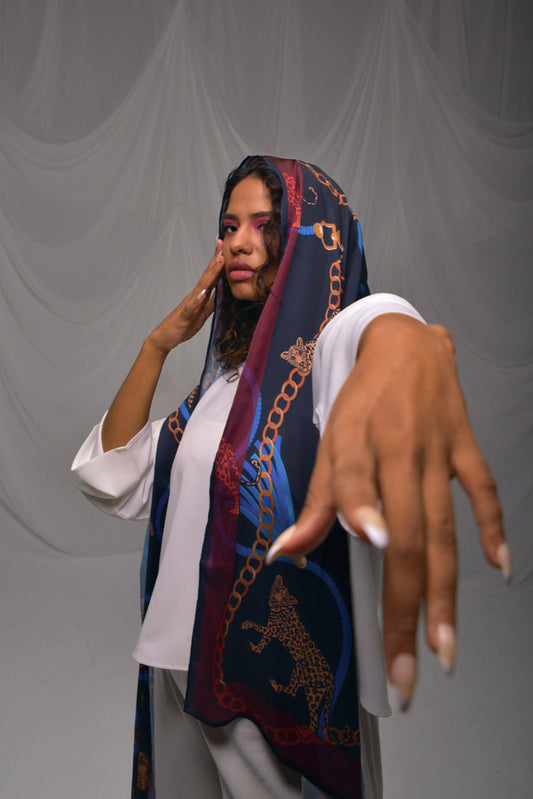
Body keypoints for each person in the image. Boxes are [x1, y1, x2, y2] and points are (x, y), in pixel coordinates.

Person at [72, 156, 507, 799]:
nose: (238, 242)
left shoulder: (327, 365)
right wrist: (157, 346)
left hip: (266, 676)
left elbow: (369, 327)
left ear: (310, 243)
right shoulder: (219, 392)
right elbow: (111, 477)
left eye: (264, 224)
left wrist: (393, 328)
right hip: (174, 656)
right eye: (229, 226)